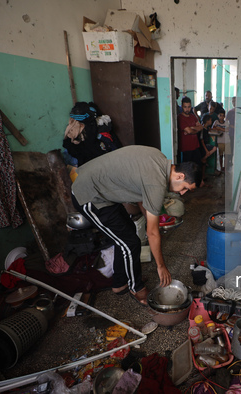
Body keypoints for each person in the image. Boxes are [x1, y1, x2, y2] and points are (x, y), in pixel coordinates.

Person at [71, 146, 201, 305]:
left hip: (102, 188)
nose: (182, 193)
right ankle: (136, 288)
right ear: (180, 176)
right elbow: (152, 233)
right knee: (129, 242)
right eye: (185, 188)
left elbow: (141, 195)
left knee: (129, 233)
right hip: (88, 195)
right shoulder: (157, 184)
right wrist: (161, 266)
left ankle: (120, 283)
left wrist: (151, 220)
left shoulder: (159, 159)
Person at [177, 96, 204, 164]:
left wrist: (191, 128)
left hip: (195, 147)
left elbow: (201, 127)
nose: (187, 109)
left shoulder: (192, 116)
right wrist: (195, 130)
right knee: (186, 170)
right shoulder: (180, 117)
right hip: (185, 149)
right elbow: (189, 131)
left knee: (197, 168)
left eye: (189, 107)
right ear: (182, 106)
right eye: (185, 107)